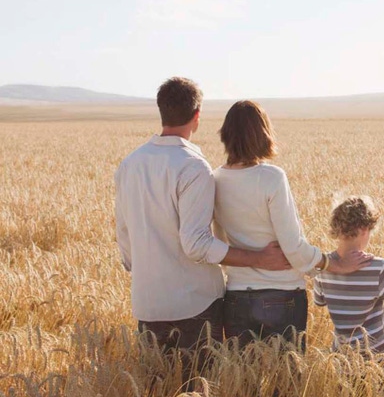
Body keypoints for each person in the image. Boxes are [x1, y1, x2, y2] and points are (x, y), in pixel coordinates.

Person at [114, 77, 290, 359]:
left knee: (157, 396)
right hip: (193, 306)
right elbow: (196, 244)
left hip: (147, 304)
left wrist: (149, 272)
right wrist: (258, 259)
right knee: (199, 394)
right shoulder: (193, 167)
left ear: (161, 111)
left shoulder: (130, 164)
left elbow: (123, 233)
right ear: (197, 116)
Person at [212, 100, 371, 350]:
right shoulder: (272, 177)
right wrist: (333, 264)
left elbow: (220, 249)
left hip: (236, 296)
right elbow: (293, 248)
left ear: (227, 135)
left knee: (243, 385)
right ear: (263, 133)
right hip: (281, 294)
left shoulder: (216, 179)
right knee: (285, 386)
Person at [313, 196, 384, 355]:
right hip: (378, 362)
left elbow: (319, 301)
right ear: (364, 229)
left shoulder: (324, 267)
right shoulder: (377, 269)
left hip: (342, 359)